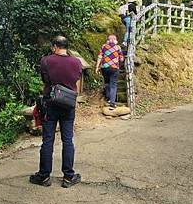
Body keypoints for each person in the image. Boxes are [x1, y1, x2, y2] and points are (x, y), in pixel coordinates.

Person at [30, 36, 83, 188]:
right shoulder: (76, 62)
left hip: (50, 104)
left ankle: (44, 176)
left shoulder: (46, 61)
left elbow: (45, 80)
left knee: (48, 140)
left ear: (54, 46)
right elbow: (76, 79)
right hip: (68, 104)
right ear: (67, 46)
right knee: (68, 140)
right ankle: (68, 177)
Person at [95, 34, 124, 109]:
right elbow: (121, 59)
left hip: (104, 68)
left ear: (108, 40)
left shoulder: (104, 46)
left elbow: (100, 56)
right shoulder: (118, 47)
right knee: (113, 85)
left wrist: (97, 67)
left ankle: (108, 98)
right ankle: (112, 103)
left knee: (107, 82)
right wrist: (118, 60)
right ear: (115, 41)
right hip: (114, 68)